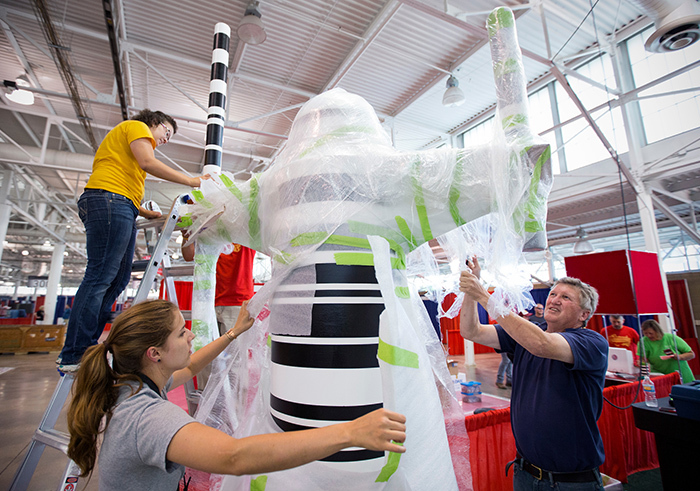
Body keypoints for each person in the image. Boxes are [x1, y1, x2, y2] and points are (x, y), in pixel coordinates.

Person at [67, 299, 406, 491]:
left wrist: (233, 333)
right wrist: (350, 432)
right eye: (183, 333)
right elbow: (234, 457)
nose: (190, 339)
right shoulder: (150, 418)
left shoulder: (130, 385)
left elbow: (189, 367)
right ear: (154, 353)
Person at [57, 109, 210, 372]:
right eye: (166, 132)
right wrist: (192, 181)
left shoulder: (124, 142)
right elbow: (147, 163)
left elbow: (117, 177)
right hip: (110, 201)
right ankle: (75, 351)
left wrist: (139, 209)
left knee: (118, 278)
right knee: (100, 276)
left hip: (118, 202)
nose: (165, 139)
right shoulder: (137, 127)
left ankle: (89, 345)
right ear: (155, 123)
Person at [460, 257, 606, 490]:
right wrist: (473, 285)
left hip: (569, 481)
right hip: (525, 473)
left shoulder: (591, 342)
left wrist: (484, 297)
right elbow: (470, 330)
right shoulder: (527, 334)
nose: (555, 300)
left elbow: (542, 344)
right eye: (553, 294)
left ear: (583, 314)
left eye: (566, 297)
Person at [181, 239, 255, 336]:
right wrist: (186, 237)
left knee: (234, 348)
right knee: (208, 347)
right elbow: (188, 256)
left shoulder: (241, 230)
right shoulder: (208, 231)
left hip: (237, 301)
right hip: (209, 301)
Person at [639, 319, 695, 383]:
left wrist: (679, 357)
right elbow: (643, 358)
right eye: (645, 333)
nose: (648, 336)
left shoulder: (671, 338)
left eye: (651, 333)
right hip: (659, 374)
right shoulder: (643, 341)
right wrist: (641, 362)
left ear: (658, 331)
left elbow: (691, 354)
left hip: (680, 373)